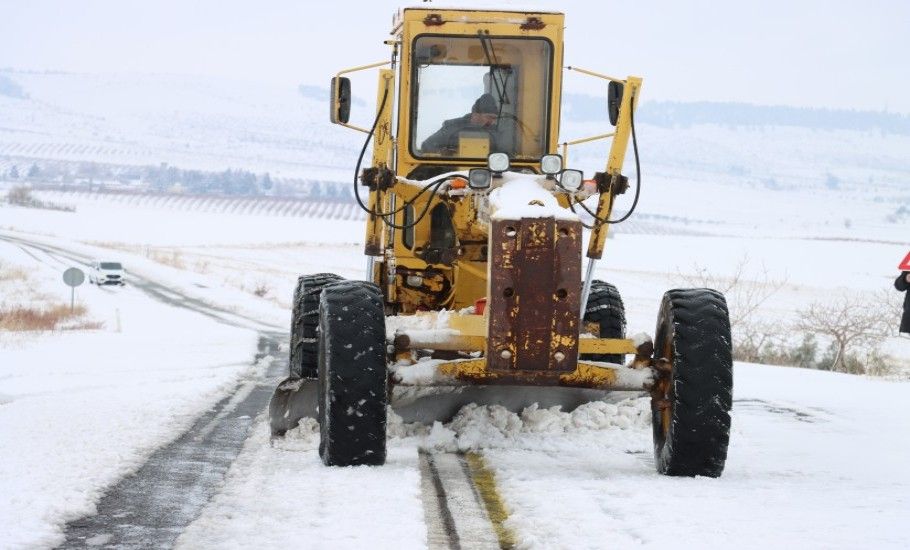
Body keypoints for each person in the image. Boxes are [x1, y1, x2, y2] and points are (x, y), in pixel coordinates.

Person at [421, 93, 502, 154]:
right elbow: (426, 146)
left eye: (494, 118)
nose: (492, 121)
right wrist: (442, 152)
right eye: (489, 117)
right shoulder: (452, 127)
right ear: (475, 114)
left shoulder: (495, 132)